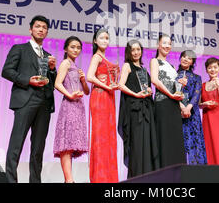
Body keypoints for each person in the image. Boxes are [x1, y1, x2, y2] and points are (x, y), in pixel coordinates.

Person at [2, 15, 57, 183]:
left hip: (44, 103)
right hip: (25, 99)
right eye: (38, 26)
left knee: (38, 149)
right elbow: (7, 71)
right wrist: (27, 80)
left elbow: (51, 83)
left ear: (47, 32)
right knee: (16, 145)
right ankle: (11, 180)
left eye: (44, 27)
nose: (41, 29)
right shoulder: (19, 48)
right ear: (31, 29)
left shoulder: (48, 56)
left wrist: (52, 70)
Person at [118, 40, 159, 178]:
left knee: (147, 141)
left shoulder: (144, 69)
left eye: (138, 49)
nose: (136, 52)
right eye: (133, 50)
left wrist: (148, 90)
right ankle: (136, 176)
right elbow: (121, 85)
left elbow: (145, 87)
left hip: (147, 108)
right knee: (136, 142)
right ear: (129, 52)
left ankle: (147, 174)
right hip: (134, 109)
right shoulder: (127, 66)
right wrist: (136, 94)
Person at [53, 36, 89, 183]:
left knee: (72, 143)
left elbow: (87, 92)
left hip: (78, 106)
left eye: (78, 47)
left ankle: (69, 179)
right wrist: (70, 95)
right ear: (66, 49)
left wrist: (83, 80)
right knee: (66, 145)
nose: (76, 50)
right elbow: (57, 83)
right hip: (69, 105)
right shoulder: (65, 63)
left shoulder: (75, 66)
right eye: (73, 47)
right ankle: (69, 180)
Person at [86, 29, 119, 183]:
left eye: (107, 38)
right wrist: (107, 86)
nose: (105, 41)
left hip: (108, 97)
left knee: (109, 136)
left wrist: (113, 85)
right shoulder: (96, 57)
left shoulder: (105, 58)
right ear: (95, 41)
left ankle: (109, 177)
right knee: (101, 137)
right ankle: (100, 178)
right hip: (100, 97)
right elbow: (89, 76)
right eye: (102, 38)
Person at [150, 34, 186, 168]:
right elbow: (154, 80)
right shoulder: (155, 61)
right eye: (164, 43)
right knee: (164, 138)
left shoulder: (171, 65)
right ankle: (164, 171)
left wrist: (181, 86)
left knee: (175, 139)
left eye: (169, 44)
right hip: (163, 104)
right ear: (158, 45)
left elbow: (174, 87)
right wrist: (171, 95)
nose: (167, 46)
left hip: (173, 105)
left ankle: (177, 172)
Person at [177, 50, 207, 165]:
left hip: (193, 113)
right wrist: (181, 107)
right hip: (177, 112)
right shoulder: (174, 75)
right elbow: (172, 92)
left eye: (189, 58)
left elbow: (197, 94)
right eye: (184, 56)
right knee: (180, 143)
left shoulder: (196, 77)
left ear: (192, 62)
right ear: (180, 58)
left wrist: (188, 108)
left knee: (195, 142)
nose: (185, 59)